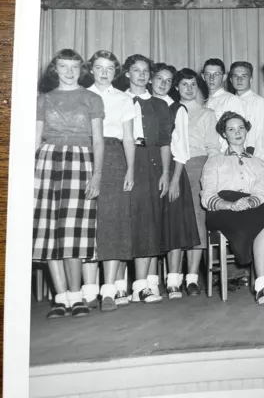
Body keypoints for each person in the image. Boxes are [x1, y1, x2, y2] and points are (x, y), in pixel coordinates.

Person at [33, 49, 105, 318]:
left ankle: (76, 297)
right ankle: (60, 298)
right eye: (64, 66)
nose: (70, 71)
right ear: (56, 69)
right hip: (48, 161)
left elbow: (97, 141)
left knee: (74, 231)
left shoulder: (92, 99)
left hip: (80, 162)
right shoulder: (44, 100)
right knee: (49, 231)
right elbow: (35, 139)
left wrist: (96, 175)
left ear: (81, 69)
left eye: (75, 66)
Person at [201, 111, 264, 305]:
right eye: (231, 129)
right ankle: (262, 286)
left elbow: (261, 192)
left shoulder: (257, 162)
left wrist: (249, 202)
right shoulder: (214, 161)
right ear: (224, 134)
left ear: (247, 130)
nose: (237, 132)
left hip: (249, 205)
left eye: (241, 127)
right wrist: (230, 205)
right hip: (221, 209)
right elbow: (207, 196)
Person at [83, 50, 135, 312]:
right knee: (90, 222)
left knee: (112, 222)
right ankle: (89, 290)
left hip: (115, 158)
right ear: (91, 69)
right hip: (85, 156)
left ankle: (109, 290)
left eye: (110, 69)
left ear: (116, 72)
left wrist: (130, 169)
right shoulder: (82, 96)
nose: (104, 72)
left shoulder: (124, 99)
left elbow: (128, 137)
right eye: (100, 67)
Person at [121, 54, 172, 303]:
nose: (141, 75)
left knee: (150, 220)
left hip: (151, 162)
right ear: (127, 73)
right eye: (136, 70)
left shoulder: (160, 105)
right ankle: (129, 284)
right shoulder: (120, 100)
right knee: (129, 221)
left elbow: (164, 143)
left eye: (145, 71)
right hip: (125, 161)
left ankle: (146, 283)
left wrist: (165, 172)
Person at [167, 68, 221, 298]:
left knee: (198, 223)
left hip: (199, 168)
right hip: (173, 168)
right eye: (184, 85)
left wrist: (213, 176)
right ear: (176, 87)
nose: (189, 89)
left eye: (192, 85)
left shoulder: (207, 114)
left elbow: (213, 148)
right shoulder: (167, 110)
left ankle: (192, 279)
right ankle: (172, 279)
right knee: (175, 223)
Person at [148, 63, 200, 299]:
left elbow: (181, 148)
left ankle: (174, 281)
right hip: (146, 172)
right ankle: (148, 282)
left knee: (174, 227)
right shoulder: (140, 104)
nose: (163, 84)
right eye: (160, 78)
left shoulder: (177, 108)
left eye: (168, 81)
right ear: (151, 79)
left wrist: (175, 179)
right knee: (149, 227)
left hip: (173, 173)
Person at [229, 61, 264, 161]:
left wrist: (257, 160)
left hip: (252, 156)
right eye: (235, 76)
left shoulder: (260, 103)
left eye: (244, 76)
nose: (239, 79)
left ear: (251, 79)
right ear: (230, 80)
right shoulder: (227, 102)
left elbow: (263, 136)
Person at [202, 58, 245, 152]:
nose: (211, 78)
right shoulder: (206, 103)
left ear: (224, 77)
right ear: (203, 77)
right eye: (208, 74)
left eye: (216, 74)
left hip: (226, 155)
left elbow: (240, 133)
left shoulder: (231, 100)